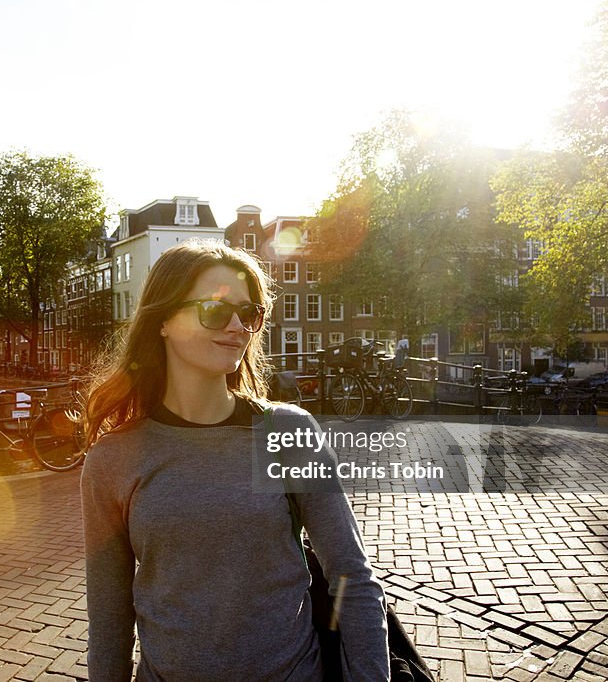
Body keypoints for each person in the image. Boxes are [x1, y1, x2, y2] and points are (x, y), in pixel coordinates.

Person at [81, 239, 390, 681]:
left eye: (250, 314)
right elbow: (109, 617)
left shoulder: (289, 433)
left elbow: (352, 578)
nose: (237, 328)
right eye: (214, 310)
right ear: (163, 319)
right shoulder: (113, 458)